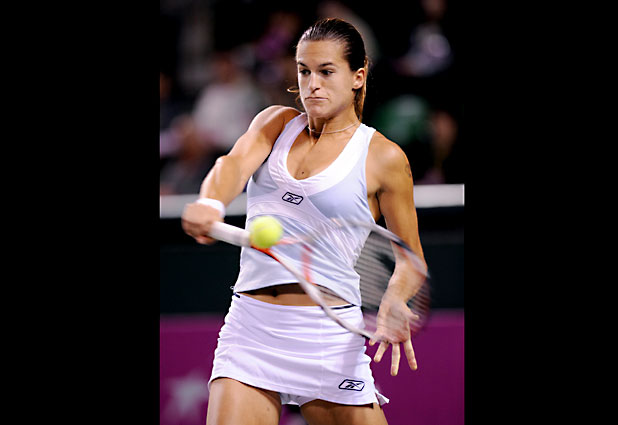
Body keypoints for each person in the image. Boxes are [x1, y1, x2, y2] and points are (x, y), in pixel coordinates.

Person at [181, 18, 426, 425]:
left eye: (326, 72)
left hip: (329, 340)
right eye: (304, 71)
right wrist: (210, 201)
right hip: (251, 331)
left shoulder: (383, 157)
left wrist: (397, 298)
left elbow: (410, 260)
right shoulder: (275, 122)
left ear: (357, 76)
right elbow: (232, 165)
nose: (312, 84)